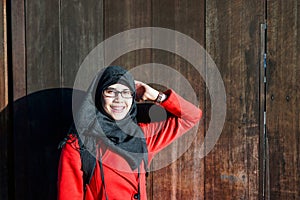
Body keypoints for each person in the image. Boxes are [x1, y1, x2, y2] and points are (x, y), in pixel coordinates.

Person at [57, 66, 202, 200]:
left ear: (133, 97)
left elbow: (192, 116)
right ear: (98, 96)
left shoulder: (143, 136)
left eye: (126, 92)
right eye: (110, 91)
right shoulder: (79, 145)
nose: (119, 99)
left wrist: (157, 96)